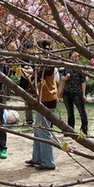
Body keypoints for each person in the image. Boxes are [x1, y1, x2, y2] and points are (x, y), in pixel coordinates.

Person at [25, 39, 58, 170]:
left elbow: (38, 77)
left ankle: (48, 162)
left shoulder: (48, 64)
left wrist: (26, 74)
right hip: (42, 99)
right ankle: (37, 158)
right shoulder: (42, 63)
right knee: (38, 130)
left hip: (47, 100)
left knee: (44, 132)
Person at [60, 55, 88, 136]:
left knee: (82, 112)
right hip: (67, 92)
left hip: (77, 92)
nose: (74, 59)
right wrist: (64, 78)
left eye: (76, 57)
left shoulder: (80, 67)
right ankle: (70, 130)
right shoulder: (67, 66)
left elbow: (83, 81)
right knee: (70, 112)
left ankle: (84, 130)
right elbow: (62, 75)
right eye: (72, 57)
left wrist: (83, 94)